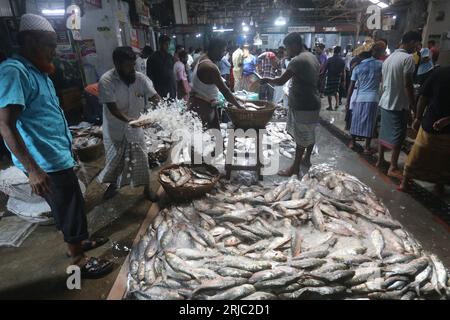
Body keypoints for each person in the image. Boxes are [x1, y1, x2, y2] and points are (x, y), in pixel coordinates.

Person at [0, 13, 113, 278]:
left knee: (68, 205)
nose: (54, 51)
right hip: (44, 162)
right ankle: (79, 260)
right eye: (49, 44)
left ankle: (79, 242)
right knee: (70, 206)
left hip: (56, 155)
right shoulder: (14, 72)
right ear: (29, 41)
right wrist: (33, 170)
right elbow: (5, 124)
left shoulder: (39, 72)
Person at [98, 47, 161, 201]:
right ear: (117, 64)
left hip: (135, 128)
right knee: (115, 161)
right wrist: (132, 121)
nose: (132, 68)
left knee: (142, 159)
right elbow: (113, 109)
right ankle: (112, 186)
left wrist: (156, 112)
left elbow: (155, 97)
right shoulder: (106, 80)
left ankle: (147, 189)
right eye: (128, 65)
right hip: (115, 128)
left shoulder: (140, 78)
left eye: (133, 64)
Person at [261, 32, 321, 177]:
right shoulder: (312, 56)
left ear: (294, 45)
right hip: (313, 101)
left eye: (287, 48)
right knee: (309, 131)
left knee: (300, 137)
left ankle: (294, 168)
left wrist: (267, 79)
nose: (286, 51)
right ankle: (306, 160)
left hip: (303, 103)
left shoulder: (297, 60)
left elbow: (281, 81)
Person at [377, 31, 422, 179]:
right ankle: (393, 167)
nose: (417, 48)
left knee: (384, 132)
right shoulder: (408, 58)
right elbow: (408, 84)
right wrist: (413, 105)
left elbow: (383, 82)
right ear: (411, 42)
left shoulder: (389, 59)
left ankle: (380, 160)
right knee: (398, 135)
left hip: (385, 102)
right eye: (417, 44)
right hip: (398, 104)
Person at [400, 66, 450, 194]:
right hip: (441, 126)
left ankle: (405, 183)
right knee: (444, 159)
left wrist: (417, 117)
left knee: (418, 154)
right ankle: (439, 185)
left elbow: (423, 97)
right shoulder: (439, 72)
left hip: (431, 122)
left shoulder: (439, 72)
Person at [189, 38, 243, 129]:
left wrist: (236, 98)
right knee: (207, 140)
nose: (223, 54)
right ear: (215, 49)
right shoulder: (210, 67)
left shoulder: (201, 58)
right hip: (202, 110)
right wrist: (239, 106)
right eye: (223, 50)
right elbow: (225, 91)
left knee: (211, 140)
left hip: (198, 105)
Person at [347, 41, 386, 154]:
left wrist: (347, 101)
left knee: (356, 120)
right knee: (370, 123)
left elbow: (351, 87)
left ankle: (353, 143)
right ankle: (366, 147)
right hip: (373, 98)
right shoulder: (380, 64)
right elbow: (383, 82)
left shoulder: (357, 67)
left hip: (359, 98)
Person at [146, 35, 176, 99]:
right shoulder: (153, 58)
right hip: (160, 89)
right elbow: (149, 76)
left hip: (171, 88)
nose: (167, 46)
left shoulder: (170, 57)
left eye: (168, 44)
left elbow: (171, 72)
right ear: (160, 44)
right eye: (165, 44)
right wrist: (153, 92)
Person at [323, 46, 345, 110]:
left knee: (329, 92)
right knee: (336, 90)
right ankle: (337, 104)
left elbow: (325, 69)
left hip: (330, 77)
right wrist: (344, 80)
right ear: (339, 52)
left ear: (334, 51)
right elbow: (343, 72)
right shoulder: (342, 61)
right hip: (338, 77)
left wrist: (322, 76)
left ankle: (330, 106)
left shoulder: (329, 59)